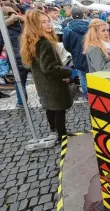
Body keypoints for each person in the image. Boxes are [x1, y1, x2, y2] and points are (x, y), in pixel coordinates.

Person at [20, 9, 73, 145]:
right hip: (53, 85)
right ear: (34, 25)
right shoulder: (44, 43)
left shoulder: (33, 41)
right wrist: (67, 71)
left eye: (48, 21)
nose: (48, 24)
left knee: (51, 108)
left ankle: (55, 131)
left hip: (44, 85)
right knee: (59, 110)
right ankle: (62, 136)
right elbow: (49, 68)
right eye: (43, 22)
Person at [0, 6, 29, 108]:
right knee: (39, 79)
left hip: (15, 59)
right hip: (29, 56)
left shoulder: (3, 28)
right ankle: (43, 100)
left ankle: (21, 102)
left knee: (20, 81)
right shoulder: (24, 24)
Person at [63, 6, 90, 99]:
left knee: (83, 77)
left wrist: (74, 51)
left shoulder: (68, 29)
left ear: (72, 16)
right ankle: (95, 95)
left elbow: (66, 45)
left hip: (77, 55)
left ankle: (87, 96)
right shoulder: (91, 26)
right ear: (83, 15)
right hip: (91, 55)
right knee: (92, 76)